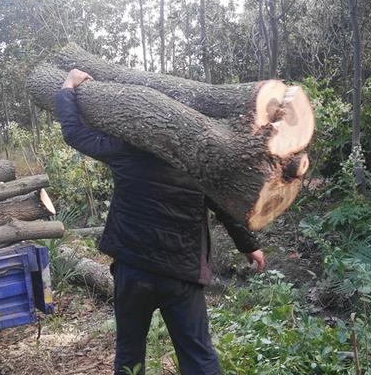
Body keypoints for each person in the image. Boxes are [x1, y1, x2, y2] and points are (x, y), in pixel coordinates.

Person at [54, 69, 266, 375]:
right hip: (181, 272)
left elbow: (74, 133)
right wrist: (249, 246)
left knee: (129, 357)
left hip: (133, 268)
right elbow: (223, 206)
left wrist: (67, 88)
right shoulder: (198, 161)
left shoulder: (125, 148)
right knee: (198, 356)